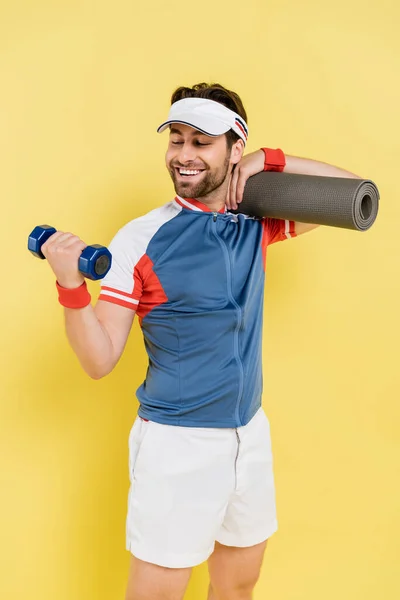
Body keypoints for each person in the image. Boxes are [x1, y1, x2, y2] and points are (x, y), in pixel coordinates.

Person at [41, 83, 360, 600]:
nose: (183, 156)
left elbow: (353, 192)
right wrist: (71, 286)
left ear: (235, 149)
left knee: (237, 586)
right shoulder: (141, 239)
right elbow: (99, 360)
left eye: (201, 142)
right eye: (177, 140)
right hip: (177, 444)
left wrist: (269, 159)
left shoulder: (257, 222)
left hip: (249, 433)